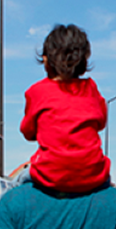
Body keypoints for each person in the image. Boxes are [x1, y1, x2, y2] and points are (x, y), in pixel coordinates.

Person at [21, 24, 109, 194]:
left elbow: (28, 132)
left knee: (18, 183)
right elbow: (101, 122)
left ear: (46, 61)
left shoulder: (37, 91)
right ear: (84, 61)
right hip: (92, 173)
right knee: (109, 185)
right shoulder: (91, 88)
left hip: (50, 173)